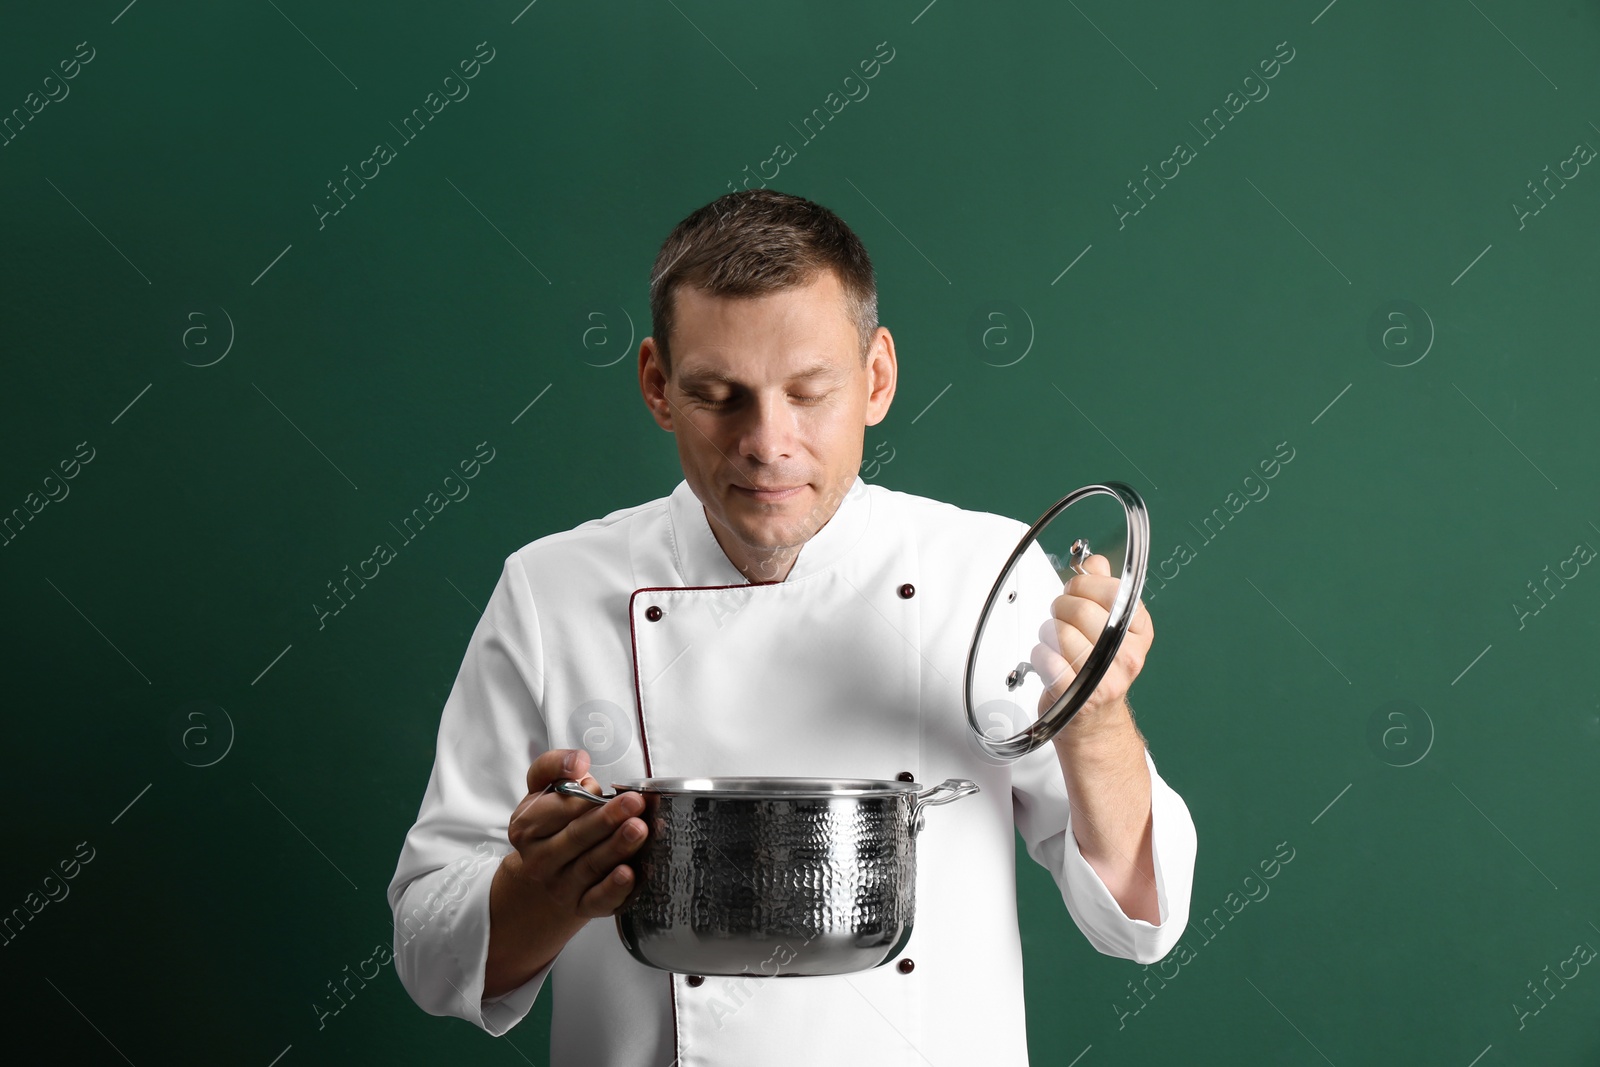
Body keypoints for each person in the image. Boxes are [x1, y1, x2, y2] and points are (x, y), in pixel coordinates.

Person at [387, 188, 1197, 1064]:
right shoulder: (552, 591)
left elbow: (1141, 918)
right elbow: (428, 955)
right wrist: (541, 892)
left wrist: (1096, 721)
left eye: (809, 392)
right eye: (718, 395)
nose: (767, 442)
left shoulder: (984, 573)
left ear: (877, 378)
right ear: (658, 385)